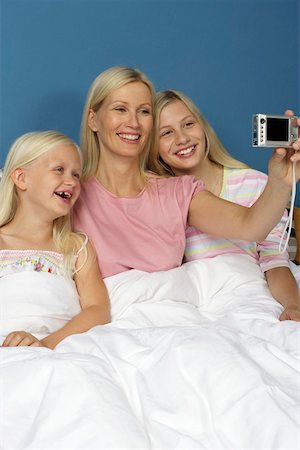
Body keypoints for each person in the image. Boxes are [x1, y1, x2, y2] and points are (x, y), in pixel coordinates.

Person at [72, 65, 300, 285]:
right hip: (108, 320)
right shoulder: (71, 194)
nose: (133, 122)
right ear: (93, 119)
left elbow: (250, 226)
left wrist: (281, 181)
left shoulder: (178, 191)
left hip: (172, 317)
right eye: (120, 109)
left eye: (144, 111)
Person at [148, 88, 300, 321]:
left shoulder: (256, 184)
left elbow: (275, 263)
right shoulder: (159, 199)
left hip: (249, 301)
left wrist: (293, 305)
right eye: (166, 133)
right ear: (152, 148)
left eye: (188, 124)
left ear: (203, 127)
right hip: (197, 311)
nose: (182, 138)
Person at [0, 131, 110, 349]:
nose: (71, 181)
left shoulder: (77, 248)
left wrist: (45, 344)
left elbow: (98, 310)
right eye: (59, 170)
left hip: (57, 349)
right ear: (21, 178)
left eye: (76, 175)